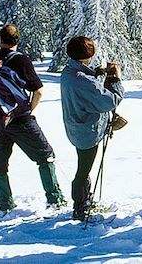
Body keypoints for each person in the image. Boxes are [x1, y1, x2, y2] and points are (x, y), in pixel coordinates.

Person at [0, 24, 66, 214]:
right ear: (17, 41)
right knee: (45, 156)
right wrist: (28, 109)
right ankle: (55, 199)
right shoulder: (20, 60)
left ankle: (5, 205)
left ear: (0, 40)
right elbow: (37, 90)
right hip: (20, 119)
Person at [60, 35, 125, 221]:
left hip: (76, 127)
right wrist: (115, 80)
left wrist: (96, 73)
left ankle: (84, 201)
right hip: (87, 132)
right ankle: (80, 207)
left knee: (84, 166)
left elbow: (84, 82)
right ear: (88, 55)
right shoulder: (82, 80)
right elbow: (110, 101)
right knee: (83, 169)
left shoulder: (69, 71)